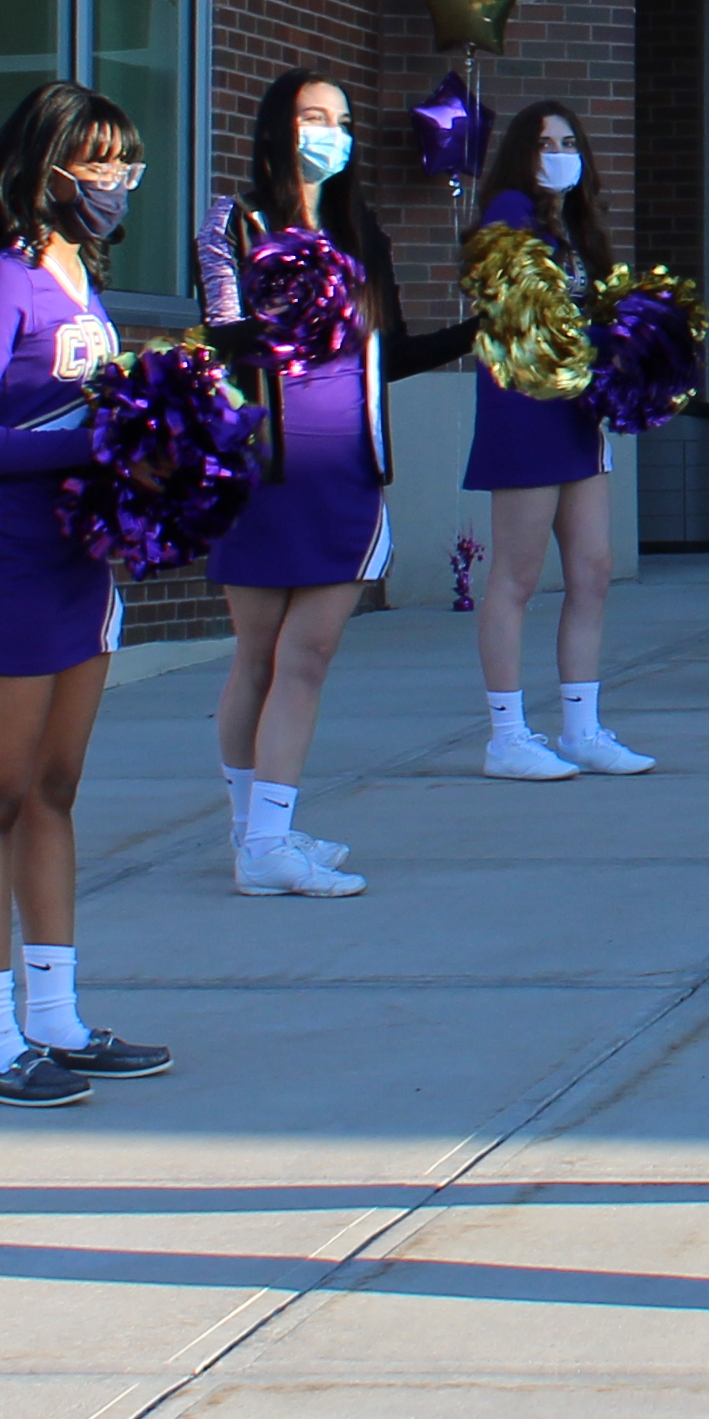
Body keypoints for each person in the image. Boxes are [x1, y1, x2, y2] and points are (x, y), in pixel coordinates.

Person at [0, 80, 172, 1109]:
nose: (112, 180)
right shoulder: (6, 278)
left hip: (82, 561)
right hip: (7, 561)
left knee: (57, 791)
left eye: (125, 162)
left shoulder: (84, 280)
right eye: (95, 159)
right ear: (45, 166)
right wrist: (97, 441)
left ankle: (59, 1017)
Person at [195, 70, 476, 894]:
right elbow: (225, 335)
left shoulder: (361, 228)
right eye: (314, 118)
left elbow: (391, 354)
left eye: (342, 120)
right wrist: (294, 320)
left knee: (310, 653)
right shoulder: (234, 221)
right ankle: (255, 841)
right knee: (256, 655)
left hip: (348, 471)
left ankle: (273, 834)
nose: (331, 132)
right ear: (278, 129)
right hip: (262, 469)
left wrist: (478, 331)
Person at [466, 100, 658, 781]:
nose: (559, 153)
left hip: (578, 412)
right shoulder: (509, 213)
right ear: (522, 152)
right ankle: (507, 734)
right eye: (545, 142)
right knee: (516, 578)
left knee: (593, 570)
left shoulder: (577, 228)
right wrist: (619, 340)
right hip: (526, 408)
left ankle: (581, 726)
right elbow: (534, 323)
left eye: (569, 140)